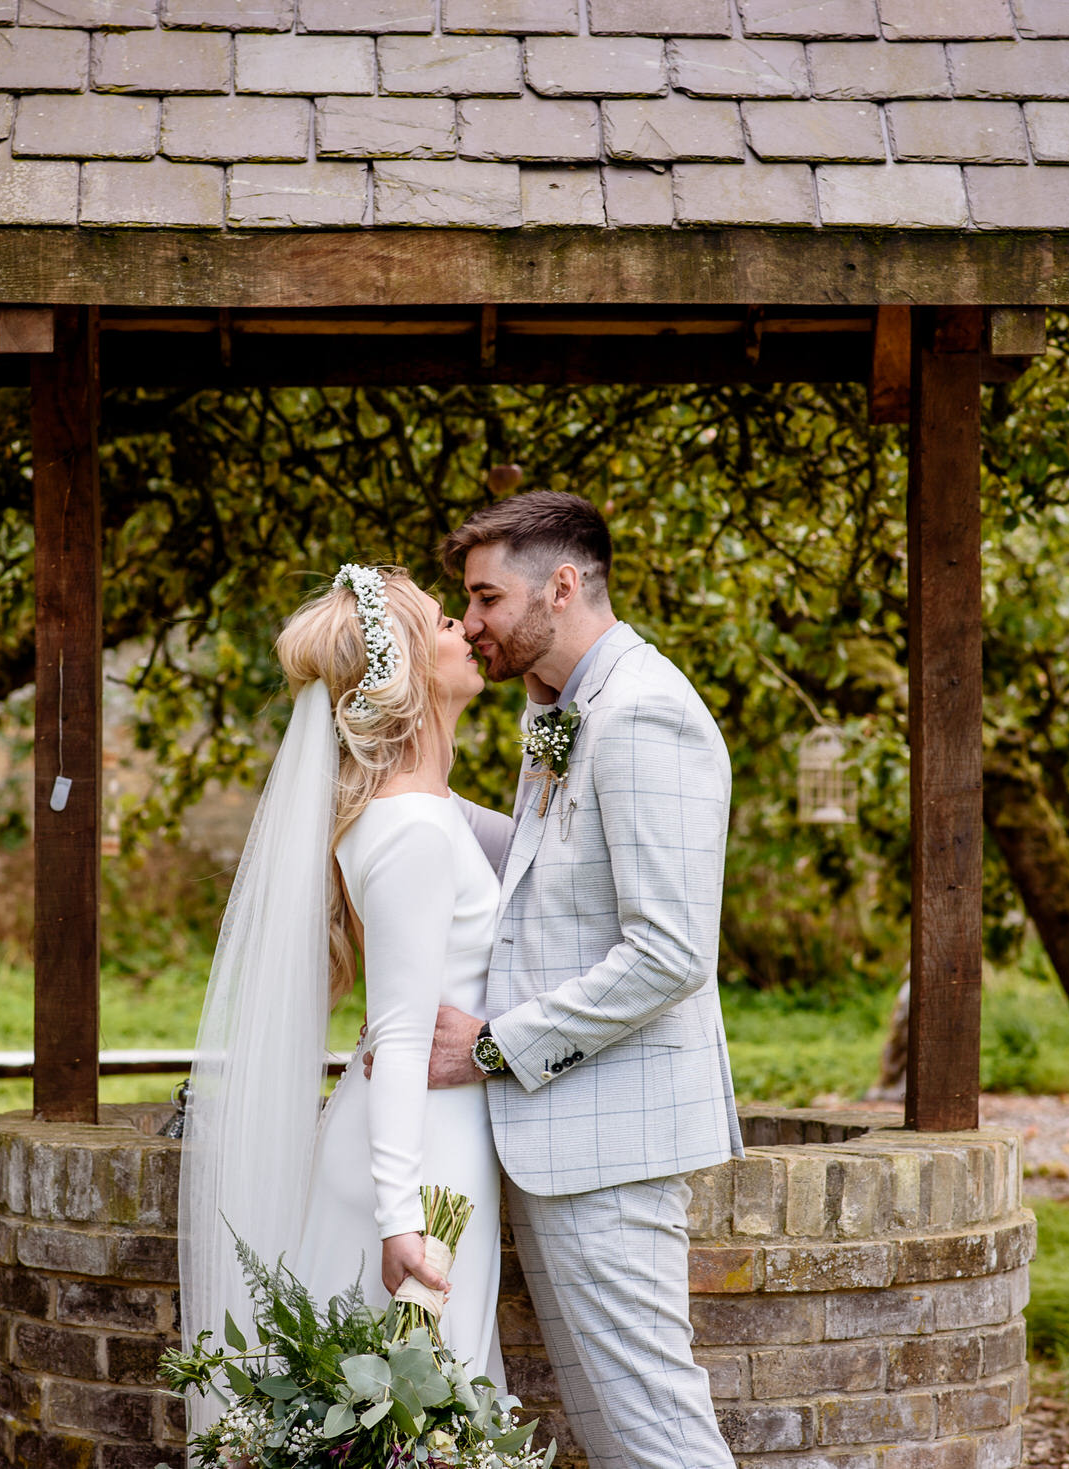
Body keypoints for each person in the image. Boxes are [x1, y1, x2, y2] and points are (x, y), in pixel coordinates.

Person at [424, 491, 745, 1469]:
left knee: (653, 1429)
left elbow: (670, 951)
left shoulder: (644, 713)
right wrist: (409, 802)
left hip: (612, 1136)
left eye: (484, 597)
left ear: (560, 585)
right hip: (571, 1134)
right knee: (616, 1433)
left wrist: (490, 1044)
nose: (470, 622)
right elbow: (545, 868)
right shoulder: (564, 711)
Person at [178, 562, 515, 1437]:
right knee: (404, 1421)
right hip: (416, 1161)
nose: (467, 632)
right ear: (407, 665)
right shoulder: (407, 827)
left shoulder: (425, 811)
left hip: (434, 1140)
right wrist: (402, 1221)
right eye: (447, 622)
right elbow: (401, 1036)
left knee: (417, 1424)